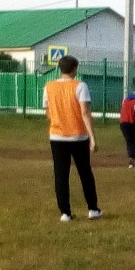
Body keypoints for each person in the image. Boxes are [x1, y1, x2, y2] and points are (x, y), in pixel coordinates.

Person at [44, 55, 101, 221]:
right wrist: (92, 138)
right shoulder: (80, 86)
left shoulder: (49, 86)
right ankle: (92, 209)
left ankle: (65, 213)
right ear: (75, 69)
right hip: (78, 136)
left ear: (60, 68)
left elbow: (48, 112)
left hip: (57, 136)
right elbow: (85, 112)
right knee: (85, 173)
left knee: (61, 174)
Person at [119, 85, 135, 168]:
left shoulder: (126, 100)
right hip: (132, 123)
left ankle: (131, 159)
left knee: (129, 141)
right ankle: (131, 161)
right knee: (132, 142)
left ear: (134, 91)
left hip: (123, 123)